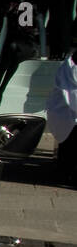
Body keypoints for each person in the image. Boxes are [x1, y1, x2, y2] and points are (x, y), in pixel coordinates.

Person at [47, 48, 77, 186]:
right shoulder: (71, 68)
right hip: (66, 115)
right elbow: (73, 98)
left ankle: (67, 171)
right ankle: (68, 173)